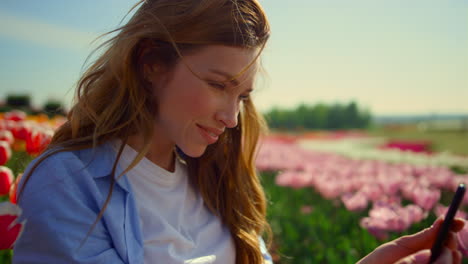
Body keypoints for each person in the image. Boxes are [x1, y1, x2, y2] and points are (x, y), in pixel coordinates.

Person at [11, 0, 464, 263]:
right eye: (217, 85)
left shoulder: (215, 178)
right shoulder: (69, 185)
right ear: (150, 64)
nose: (232, 117)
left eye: (243, 96)